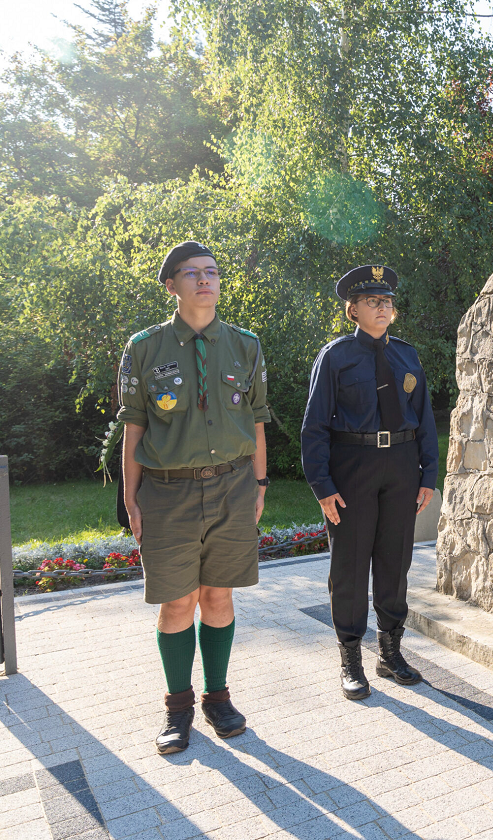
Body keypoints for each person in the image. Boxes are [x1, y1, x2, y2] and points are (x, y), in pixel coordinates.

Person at [118, 241, 270, 755]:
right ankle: (177, 706)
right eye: (193, 274)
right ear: (172, 286)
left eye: (212, 272)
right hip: (168, 492)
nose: (205, 280)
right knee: (178, 602)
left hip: (232, 486)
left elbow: (257, 419)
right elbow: (133, 426)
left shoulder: (245, 345)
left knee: (219, 596)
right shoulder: (145, 347)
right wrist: (131, 498)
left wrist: (261, 485)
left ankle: (217, 697)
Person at [301, 266, 440, 700]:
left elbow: (426, 420)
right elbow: (315, 427)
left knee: (395, 562)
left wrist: (427, 474)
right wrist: (323, 485)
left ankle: (390, 652)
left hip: (400, 465)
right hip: (353, 467)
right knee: (350, 566)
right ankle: (350, 659)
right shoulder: (336, 357)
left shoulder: (407, 356)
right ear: (353, 310)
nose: (384, 307)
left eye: (387, 302)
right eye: (373, 302)